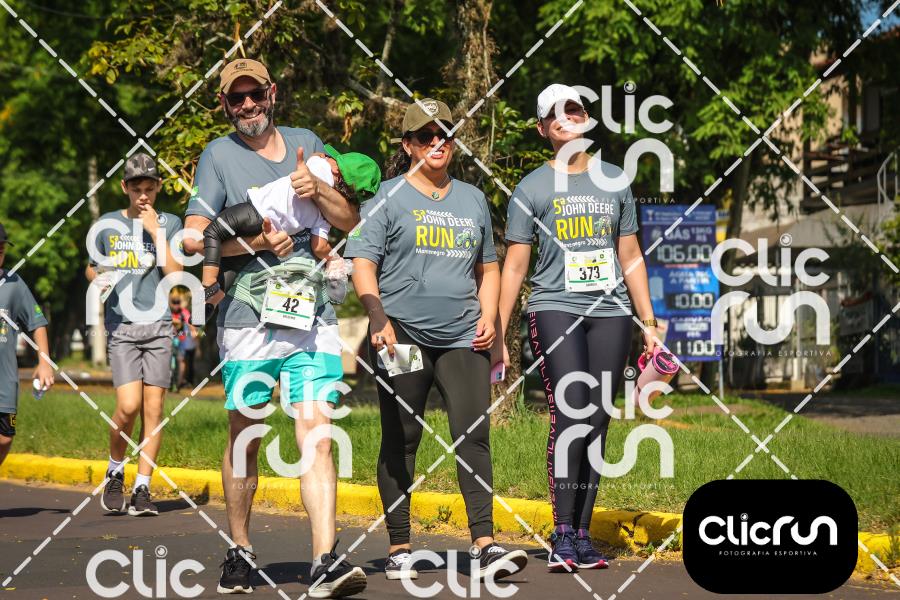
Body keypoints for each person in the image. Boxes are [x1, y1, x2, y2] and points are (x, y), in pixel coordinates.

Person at [181, 58, 366, 597]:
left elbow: (350, 219)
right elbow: (193, 237)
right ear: (224, 104)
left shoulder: (309, 142)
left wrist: (318, 190)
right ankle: (239, 549)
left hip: (312, 315)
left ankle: (324, 559)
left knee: (318, 432)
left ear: (272, 93)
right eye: (236, 98)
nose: (247, 106)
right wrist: (258, 242)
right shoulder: (217, 155)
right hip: (248, 318)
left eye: (254, 94)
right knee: (247, 433)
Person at [345, 99, 528, 582]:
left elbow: (488, 267)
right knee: (403, 437)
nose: (436, 143)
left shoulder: (472, 199)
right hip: (400, 333)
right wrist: (377, 317)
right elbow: (363, 263)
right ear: (408, 145)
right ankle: (399, 546)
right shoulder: (386, 196)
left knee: (473, 434)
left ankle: (484, 545)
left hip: (463, 335)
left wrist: (491, 320)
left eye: (444, 134)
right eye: (425, 136)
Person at [498, 84, 657, 572]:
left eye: (576, 108)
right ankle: (562, 531)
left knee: (599, 418)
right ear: (543, 128)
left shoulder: (615, 180)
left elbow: (629, 255)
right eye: (558, 112)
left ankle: (584, 535)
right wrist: (499, 331)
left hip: (611, 311)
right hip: (555, 307)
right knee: (571, 412)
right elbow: (515, 266)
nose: (569, 116)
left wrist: (649, 322)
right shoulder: (531, 188)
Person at [86, 152, 184, 517]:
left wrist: (156, 232)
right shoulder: (107, 225)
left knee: (154, 410)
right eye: (136, 188)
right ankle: (115, 470)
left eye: (150, 188)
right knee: (128, 407)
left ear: (158, 187)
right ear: (124, 187)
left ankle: (143, 488)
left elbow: (176, 274)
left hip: (159, 325)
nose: (143, 196)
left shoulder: (170, 223)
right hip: (123, 326)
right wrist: (99, 278)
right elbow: (91, 268)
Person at [200, 144, 380, 311]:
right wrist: (333, 258)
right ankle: (206, 307)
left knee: (212, 232)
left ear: (336, 169)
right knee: (233, 265)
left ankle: (209, 284)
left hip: (254, 212)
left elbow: (318, 155)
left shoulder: (318, 167)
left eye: (332, 158)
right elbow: (319, 247)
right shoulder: (325, 216)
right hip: (272, 233)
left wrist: (324, 157)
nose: (327, 157)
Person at [0, 222, 54, 466]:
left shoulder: (14, 283)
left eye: (1, 250)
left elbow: (37, 323)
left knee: (4, 439)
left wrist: (44, 362)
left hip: (5, 379)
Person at [169, 292, 197, 389]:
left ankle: (179, 382)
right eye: (174, 302)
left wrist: (193, 331)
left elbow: (190, 322)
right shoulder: (168, 312)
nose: (176, 305)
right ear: (171, 303)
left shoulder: (184, 312)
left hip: (180, 340)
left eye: (178, 302)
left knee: (181, 360)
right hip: (168, 339)